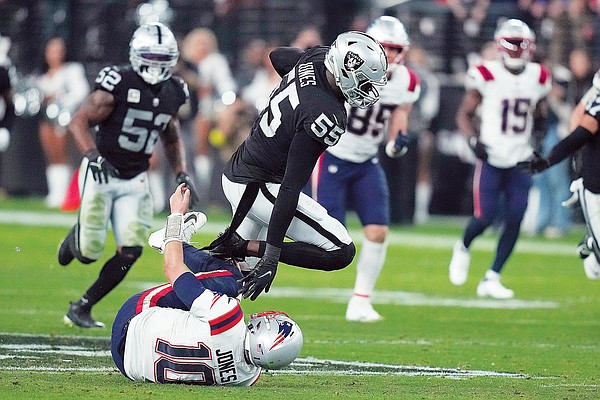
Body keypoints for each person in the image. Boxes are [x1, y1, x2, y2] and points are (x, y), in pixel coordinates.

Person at [207, 31, 388, 302]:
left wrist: (298, 83)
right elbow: (291, 186)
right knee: (340, 251)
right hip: (258, 185)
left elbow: (277, 56)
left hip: (244, 170)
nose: (367, 90)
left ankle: (192, 319)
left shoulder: (316, 59)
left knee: (228, 281)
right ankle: (239, 245)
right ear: (346, 71)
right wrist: (271, 257)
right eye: (364, 82)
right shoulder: (326, 114)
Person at [57, 22, 198, 328]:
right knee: (88, 252)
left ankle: (82, 306)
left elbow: (171, 135)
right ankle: (74, 242)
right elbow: (78, 121)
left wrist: (181, 172)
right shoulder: (117, 81)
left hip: (135, 177)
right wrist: (93, 156)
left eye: (163, 58)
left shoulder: (176, 90)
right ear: (137, 55)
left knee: (131, 250)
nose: (157, 64)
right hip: (101, 171)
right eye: (151, 56)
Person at [111, 183, 303, 385]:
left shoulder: (227, 314)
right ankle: (180, 245)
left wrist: (175, 216)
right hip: (127, 364)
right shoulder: (247, 378)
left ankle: (170, 240)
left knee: (232, 282)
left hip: (132, 318)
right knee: (220, 299)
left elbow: (172, 269)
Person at [310, 17, 420, 322]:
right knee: (328, 239)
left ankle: (360, 300)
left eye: (396, 48)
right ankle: (264, 248)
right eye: (385, 47)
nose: (391, 54)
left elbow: (399, 115)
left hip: (367, 160)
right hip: (332, 156)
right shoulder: (347, 68)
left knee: (378, 231)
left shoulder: (407, 81)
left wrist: (397, 142)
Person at [448, 19, 552, 299]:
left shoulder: (539, 76)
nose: (517, 49)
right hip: (492, 157)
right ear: (500, 44)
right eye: (513, 43)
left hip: (520, 157)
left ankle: (492, 276)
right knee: (484, 218)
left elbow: (540, 112)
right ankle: (464, 246)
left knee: (516, 217)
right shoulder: (485, 73)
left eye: (521, 44)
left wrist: (539, 136)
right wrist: (473, 140)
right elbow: (464, 114)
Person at [518, 68, 600, 280]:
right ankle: (593, 243)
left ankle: (593, 243)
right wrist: (548, 160)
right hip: (595, 186)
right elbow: (576, 136)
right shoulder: (595, 111)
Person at [37, 37, 90, 208]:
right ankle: (54, 192)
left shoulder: (72, 70)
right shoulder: (42, 75)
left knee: (61, 154)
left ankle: (65, 194)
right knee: (51, 155)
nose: (55, 54)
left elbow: (81, 92)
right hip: (47, 118)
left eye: (58, 50)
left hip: (66, 117)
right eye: (51, 51)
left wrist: (61, 100)